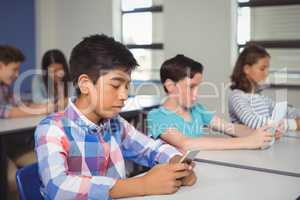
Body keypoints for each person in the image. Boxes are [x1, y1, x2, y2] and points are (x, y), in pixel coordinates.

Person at [34, 34, 196, 200]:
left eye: (127, 86)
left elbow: (150, 147)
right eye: (116, 85)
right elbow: (58, 187)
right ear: (85, 84)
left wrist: (176, 162)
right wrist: (141, 185)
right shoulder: (52, 129)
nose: (124, 95)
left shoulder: (115, 123)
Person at [147, 54, 277, 151]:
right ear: (170, 86)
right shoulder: (157, 117)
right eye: (191, 87)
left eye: (198, 87)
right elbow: (186, 143)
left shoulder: (197, 109)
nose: (196, 93)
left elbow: (230, 128)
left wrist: (263, 133)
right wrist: (248, 142)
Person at [0, 45, 54, 199]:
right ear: (1, 65)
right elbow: (4, 111)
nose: (17, 74)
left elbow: (18, 105)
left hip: (10, 146)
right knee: (11, 180)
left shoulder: (4, 86)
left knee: (44, 165)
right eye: (14, 69)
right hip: (4, 148)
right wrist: (41, 110)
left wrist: (41, 106)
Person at [229, 44, 300, 131]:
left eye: (267, 69)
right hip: (246, 144)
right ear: (247, 69)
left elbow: (286, 111)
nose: (266, 73)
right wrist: (292, 124)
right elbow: (253, 122)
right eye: (262, 69)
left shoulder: (261, 98)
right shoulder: (237, 96)